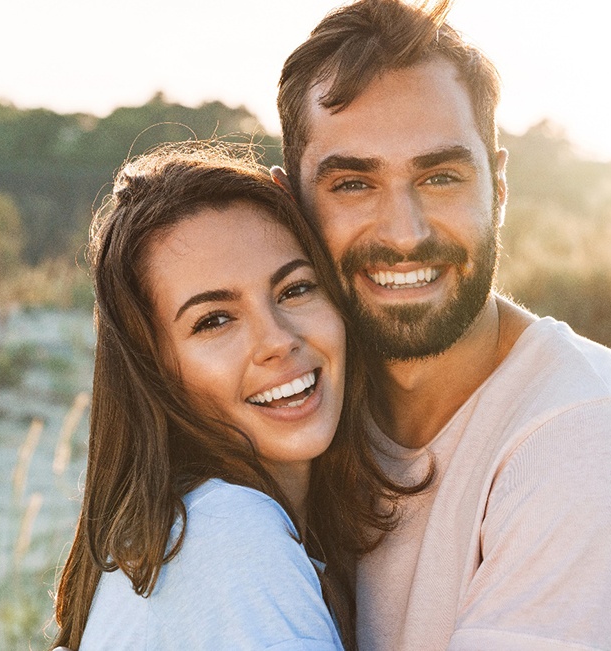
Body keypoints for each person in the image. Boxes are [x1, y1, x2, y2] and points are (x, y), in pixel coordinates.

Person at [274, 0, 611, 649]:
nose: (404, 233)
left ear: (497, 187)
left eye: (439, 176)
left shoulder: (587, 444)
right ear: (290, 206)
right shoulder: (303, 409)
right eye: (353, 184)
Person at [52, 143, 425, 650]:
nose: (276, 340)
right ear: (155, 371)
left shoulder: (189, 530)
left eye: (295, 289)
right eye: (215, 320)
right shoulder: (226, 536)